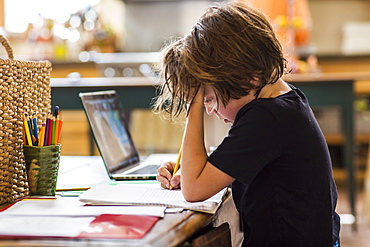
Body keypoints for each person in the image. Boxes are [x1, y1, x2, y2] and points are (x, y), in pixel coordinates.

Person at [152, 1, 340, 246]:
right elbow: (209, 175)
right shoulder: (284, 102)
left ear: (248, 77)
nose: (209, 108)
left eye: (208, 98)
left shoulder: (265, 118)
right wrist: (191, 169)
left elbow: (194, 190)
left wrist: (193, 105)